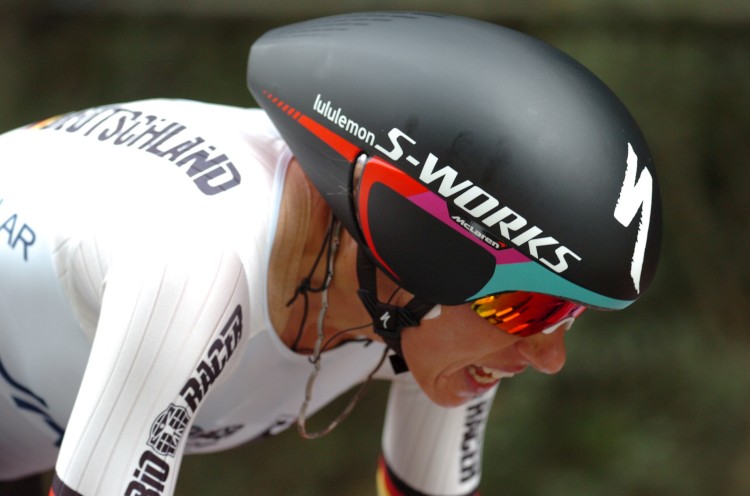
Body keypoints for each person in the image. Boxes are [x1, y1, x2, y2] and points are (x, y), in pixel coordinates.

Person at [0, 11, 661, 496]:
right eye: (531, 309)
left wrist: (515, 311)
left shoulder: (425, 318)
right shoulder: (196, 263)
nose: (550, 356)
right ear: (410, 245)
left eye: (567, 315)